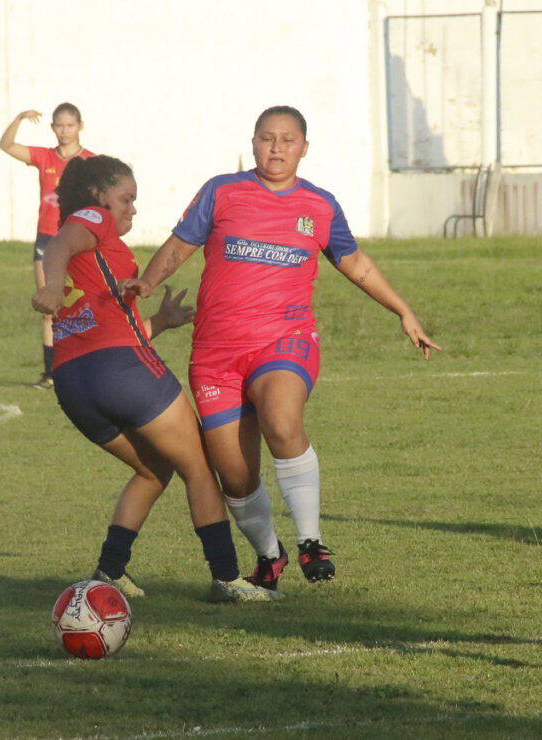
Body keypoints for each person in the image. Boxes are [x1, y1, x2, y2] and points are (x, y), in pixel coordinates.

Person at [120, 105, 440, 590]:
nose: (277, 148)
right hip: (216, 354)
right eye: (267, 138)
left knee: (282, 420)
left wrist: (403, 310)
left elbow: (356, 264)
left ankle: (311, 541)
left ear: (304, 148)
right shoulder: (221, 191)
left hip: (284, 341)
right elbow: (179, 245)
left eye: (288, 140)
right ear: (253, 144)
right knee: (234, 475)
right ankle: (270, 556)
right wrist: (147, 280)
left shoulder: (320, 205)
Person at [31, 155, 281, 603]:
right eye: (126, 198)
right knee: (200, 466)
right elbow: (57, 244)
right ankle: (227, 578)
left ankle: (109, 570)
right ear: (99, 196)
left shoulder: (96, 250)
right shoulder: (93, 218)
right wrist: (50, 285)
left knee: (152, 468)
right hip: (121, 370)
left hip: (73, 383)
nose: (130, 209)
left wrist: (159, 323)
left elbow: (102, 327)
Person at [0, 104, 94, 389]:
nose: (65, 131)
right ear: (52, 127)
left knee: (81, 305)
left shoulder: (91, 162)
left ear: (80, 126)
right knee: (48, 306)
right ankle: (51, 372)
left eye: (70, 125)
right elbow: (6, 145)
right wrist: (18, 118)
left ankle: (82, 366)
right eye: (59, 126)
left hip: (77, 240)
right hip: (46, 239)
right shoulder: (44, 157)